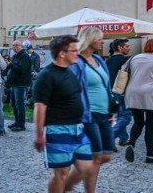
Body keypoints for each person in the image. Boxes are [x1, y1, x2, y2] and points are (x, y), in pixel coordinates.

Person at [33, 35, 92, 193]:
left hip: (77, 129)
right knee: (61, 173)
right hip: (57, 130)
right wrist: (39, 135)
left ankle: (64, 189)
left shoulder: (69, 72)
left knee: (87, 167)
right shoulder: (46, 76)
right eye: (74, 50)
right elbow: (40, 107)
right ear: (62, 54)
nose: (77, 54)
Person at [65, 27, 114, 193]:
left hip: (103, 113)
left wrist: (111, 109)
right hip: (87, 115)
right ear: (90, 40)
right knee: (96, 156)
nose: (103, 41)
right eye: (100, 38)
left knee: (105, 155)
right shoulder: (76, 62)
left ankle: (67, 184)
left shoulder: (99, 60)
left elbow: (106, 85)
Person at [106, 38, 132, 146]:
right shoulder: (126, 60)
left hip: (111, 91)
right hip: (122, 91)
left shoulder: (109, 60)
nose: (129, 48)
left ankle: (123, 138)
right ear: (120, 48)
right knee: (126, 116)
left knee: (120, 115)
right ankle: (109, 137)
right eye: (127, 46)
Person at [7, 39, 32, 131]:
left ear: (21, 46)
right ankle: (17, 122)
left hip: (21, 84)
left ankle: (21, 124)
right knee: (14, 104)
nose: (15, 47)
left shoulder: (24, 56)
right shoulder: (16, 56)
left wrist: (11, 64)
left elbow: (22, 70)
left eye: (17, 45)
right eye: (13, 45)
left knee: (20, 105)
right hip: (14, 84)